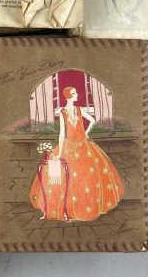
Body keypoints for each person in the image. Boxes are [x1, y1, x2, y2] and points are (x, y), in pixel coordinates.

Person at [29, 86, 124, 222]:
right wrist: (59, 153)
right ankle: (69, 209)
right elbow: (62, 134)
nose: (76, 95)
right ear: (68, 96)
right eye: (74, 93)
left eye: (75, 92)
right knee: (67, 177)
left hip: (82, 145)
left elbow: (92, 121)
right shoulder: (63, 112)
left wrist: (86, 132)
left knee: (87, 175)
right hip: (70, 146)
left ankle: (84, 206)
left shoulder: (79, 109)